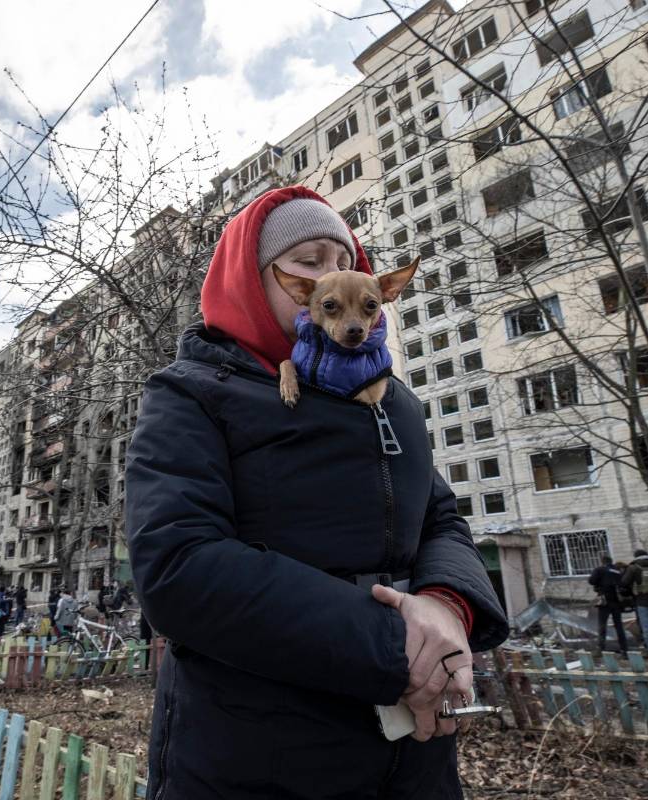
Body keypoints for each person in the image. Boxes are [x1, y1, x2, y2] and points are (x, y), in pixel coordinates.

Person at [125, 187, 509, 799]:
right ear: (254, 283)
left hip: (415, 758)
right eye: (308, 261)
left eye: (343, 258)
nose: (330, 273)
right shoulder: (192, 392)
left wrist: (447, 605)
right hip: (255, 756)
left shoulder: (392, 400)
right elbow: (179, 567)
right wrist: (399, 647)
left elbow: (440, 520)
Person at [588, 554, 628, 655]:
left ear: (602, 561)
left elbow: (591, 581)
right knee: (619, 626)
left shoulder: (600, 569)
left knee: (602, 625)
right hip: (616, 601)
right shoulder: (617, 571)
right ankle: (624, 649)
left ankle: (600, 648)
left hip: (604, 601)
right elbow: (623, 584)